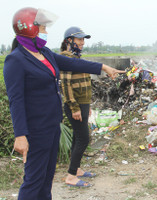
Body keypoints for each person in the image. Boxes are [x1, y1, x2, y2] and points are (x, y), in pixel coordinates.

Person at [3, 7, 125, 200]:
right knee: (34, 180)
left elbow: (74, 64)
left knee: (46, 178)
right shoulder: (15, 60)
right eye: (42, 27)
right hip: (35, 129)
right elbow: (16, 101)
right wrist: (20, 135)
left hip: (53, 126)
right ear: (29, 28)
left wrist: (102, 67)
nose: (45, 32)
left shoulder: (44, 53)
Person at [59, 27, 96, 187]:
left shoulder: (76, 58)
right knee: (83, 139)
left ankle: (77, 169)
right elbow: (66, 86)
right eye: (79, 39)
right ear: (69, 40)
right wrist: (74, 108)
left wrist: (87, 105)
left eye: (83, 40)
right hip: (75, 106)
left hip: (83, 104)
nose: (82, 43)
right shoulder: (66, 59)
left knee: (77, 137)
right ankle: (71, 176)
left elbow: (85, 84)